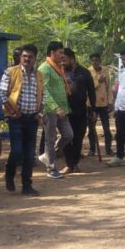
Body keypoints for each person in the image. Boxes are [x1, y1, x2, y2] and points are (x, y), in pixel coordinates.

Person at [0, 43, 43, 196]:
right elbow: (2, 94)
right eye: (24, 56)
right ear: (20, 57)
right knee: (17, 151)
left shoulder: (39, 75)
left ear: (35, 58)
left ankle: (27, 185)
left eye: (30, 57)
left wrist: (39, 113)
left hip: (32, 119)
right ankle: (9, 173)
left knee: (29, 154)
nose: (27, 59)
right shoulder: (10, 72)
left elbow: (43, 95)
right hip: (16, 118)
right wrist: (12, 111)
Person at [37, 41, 73, 179]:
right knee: (50, 139)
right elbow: (44, 90)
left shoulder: (58, 68)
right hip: (50, 109)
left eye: (63, 52)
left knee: (68, 135)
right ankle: (51, 168)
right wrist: (55, 107)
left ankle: (47, 155)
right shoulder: (45, 68)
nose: (63, 55)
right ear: (52, 53)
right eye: (60, 52)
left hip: (62, 109)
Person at [62, 48, 95, 174]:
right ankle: (69, 164)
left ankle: (75, 163)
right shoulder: (60, 72)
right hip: (65, 110)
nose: (62, 62)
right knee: (66, 137)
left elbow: (91, 91)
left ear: (72, 59)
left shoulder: (84, 72)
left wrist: (93, 109)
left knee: (78, 137)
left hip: (81, 110)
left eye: (64, 59)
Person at [86, 53, 114, 157]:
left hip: (104, 103)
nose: (95, 62)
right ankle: (92, 149)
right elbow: (88, 88)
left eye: (97, 60)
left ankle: (108, 149)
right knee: (91, 128)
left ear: (100, 61)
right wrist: (98, 81)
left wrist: (110, 102)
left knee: (106, 128)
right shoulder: (88, 71)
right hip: (92, 104)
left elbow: (108, 87)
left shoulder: (105, 70)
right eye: (93, 60)